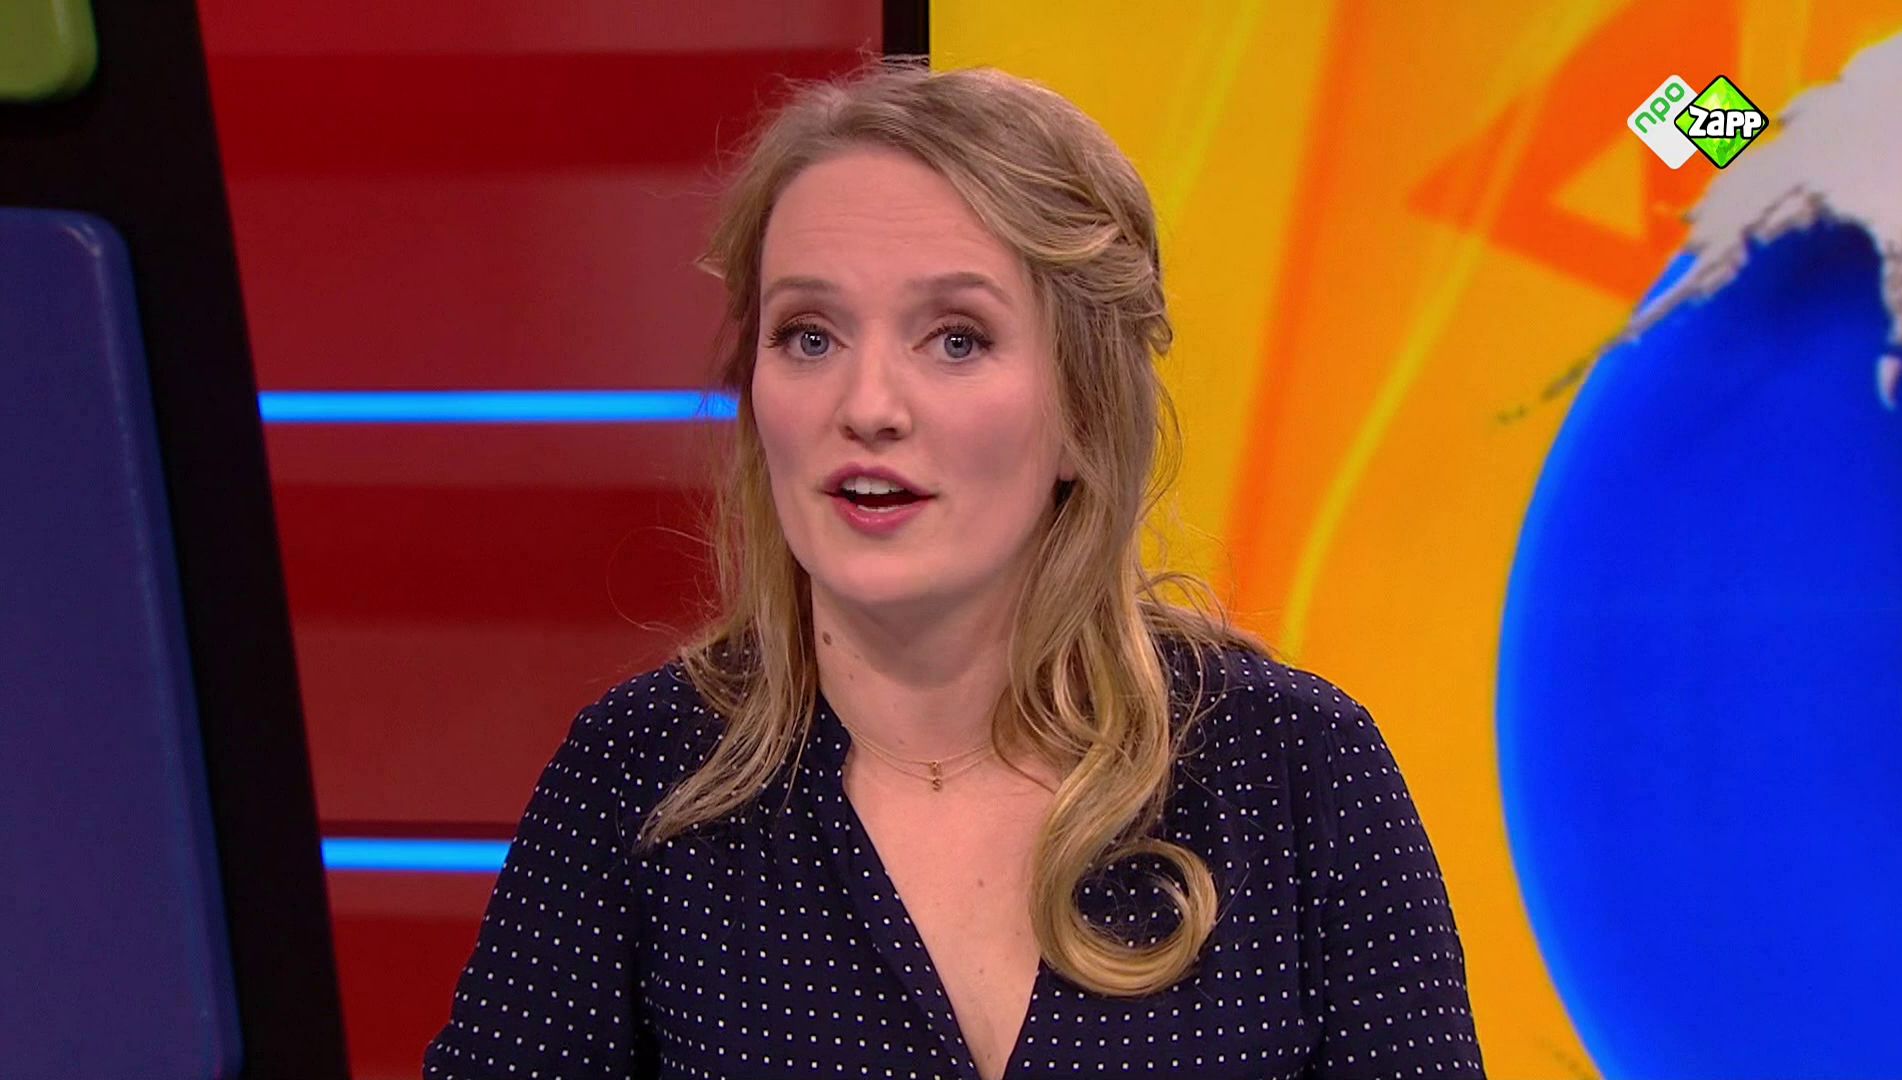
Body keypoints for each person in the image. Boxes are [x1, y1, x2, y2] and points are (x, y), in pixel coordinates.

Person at [423, 57, 1483, 1080]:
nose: (867, 406)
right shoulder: (636, 776)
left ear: (1082, 413)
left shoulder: (1296, 771)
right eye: (810, 336)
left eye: (957, 338)